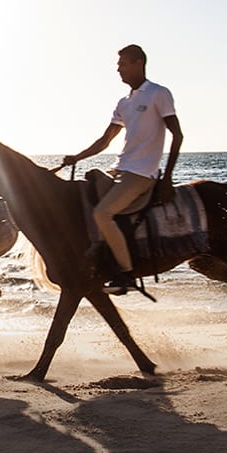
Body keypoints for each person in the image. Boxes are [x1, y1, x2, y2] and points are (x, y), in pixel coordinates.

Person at [59, 44, 183, 295]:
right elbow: (105, 141)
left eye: (123, 64)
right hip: (119, 169)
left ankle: (126, 274)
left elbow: (177, 135)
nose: (118, 69)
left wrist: (167, 177)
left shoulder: (159, 93)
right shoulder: (123, 102)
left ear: (139, 63)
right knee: (82, 200)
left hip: (142, 174)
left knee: (103, 214)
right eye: (118, 65)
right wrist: (77, 157)